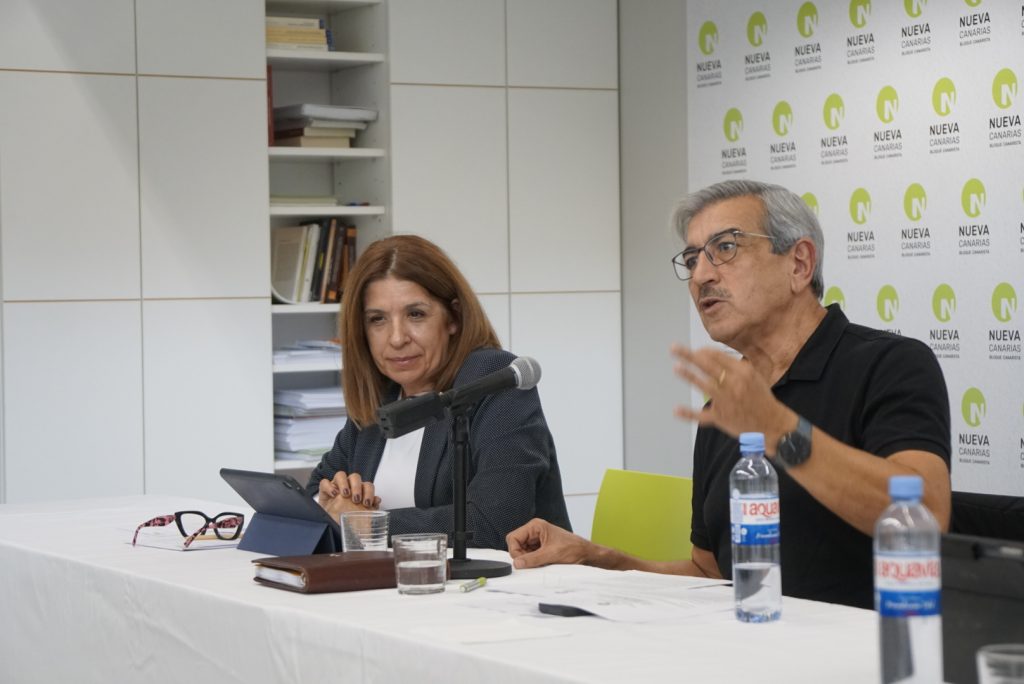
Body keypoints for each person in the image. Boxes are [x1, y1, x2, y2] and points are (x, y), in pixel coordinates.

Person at [506, 179, 951, 609]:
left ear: (798, 264)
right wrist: (598, 558)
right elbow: (712, 576)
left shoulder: (890, 365)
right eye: (692, 258)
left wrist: (776, 428)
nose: (700, 275)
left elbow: (926, 515)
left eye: (725, 248)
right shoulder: (725, 407)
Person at [306, 234, 571, 549]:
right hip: (402, 588)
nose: (397, 338)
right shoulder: (383, 399)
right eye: (377, 320)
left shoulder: (493, 380)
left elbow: (496, 524)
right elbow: (312, 496)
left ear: (453, 317)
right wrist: (330, 499)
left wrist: (368, 524)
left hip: (504, 589)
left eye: (415, 314)